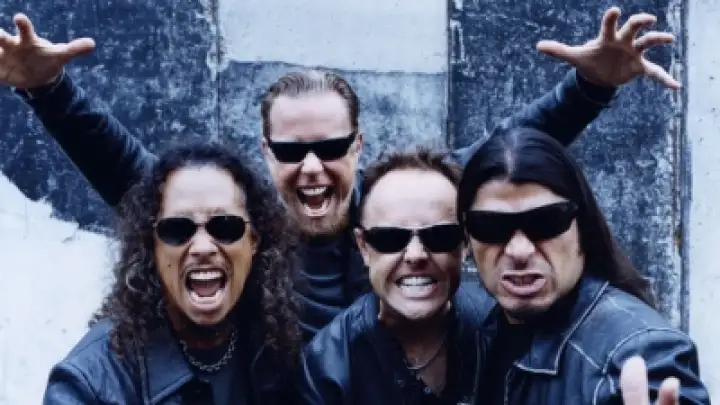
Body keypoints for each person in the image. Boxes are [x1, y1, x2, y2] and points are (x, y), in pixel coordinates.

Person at [0, 7, 680, 340]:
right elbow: (131, 173)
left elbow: (503, 156)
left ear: (359, 145)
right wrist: (47, 90)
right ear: (266, 153)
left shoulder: (400, 215)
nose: (312, 168)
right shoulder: (234, 234)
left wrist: (590, 87)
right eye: (291, 151)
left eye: (329, 147)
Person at [455, 127, 710, 405]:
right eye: (490, 226)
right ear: (466, 238)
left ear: (583, 229)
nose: (519, 251)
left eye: (546, 222)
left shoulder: (639, 352)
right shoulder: (475, 330)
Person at [42, 142, 300, 404]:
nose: (202, 247)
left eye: (225, 226)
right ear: (151, 245)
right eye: (177, 229)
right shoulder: (88, 384)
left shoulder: (275, 344)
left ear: (254, 240)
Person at [297, 148, 493, 404]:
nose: (415, 255)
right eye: (389, 238)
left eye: (440, 236)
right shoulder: (326, 368)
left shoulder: (501, 332)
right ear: (363, 247)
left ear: (465, 243)